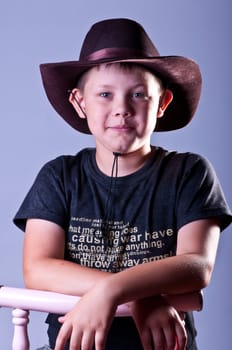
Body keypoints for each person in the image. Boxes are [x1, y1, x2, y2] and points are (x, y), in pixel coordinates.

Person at [13, 18, 232, 350]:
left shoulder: (189, 173)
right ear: (79, 102)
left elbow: (196, 265)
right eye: (104, 94)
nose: (122, 109)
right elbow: (38, 269)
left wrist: (112, 291)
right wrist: (139, 295)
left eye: (139, 94)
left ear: (162, 103)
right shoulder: (59, 176)